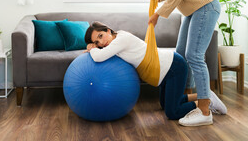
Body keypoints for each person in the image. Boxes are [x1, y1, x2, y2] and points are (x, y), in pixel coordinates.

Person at [137, 0, 223, 126]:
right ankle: (185, 100)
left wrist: (158, 14)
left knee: (194, 56)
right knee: (180, 56)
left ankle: (204, 111)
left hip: (205, 7)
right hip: (194, 10)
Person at [84, 21, 226, 125]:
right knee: (165, 105)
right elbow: (103, 53)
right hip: (164, 71)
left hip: (173, 67)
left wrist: (92, 49)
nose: (101, 43)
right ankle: (206, 95)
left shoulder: (121, 39)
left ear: (108, 30)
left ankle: (205, 102)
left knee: (172, 112)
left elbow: (98, 57)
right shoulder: (116, 41)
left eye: (101, 36)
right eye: (96, 42)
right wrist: (96, 47)